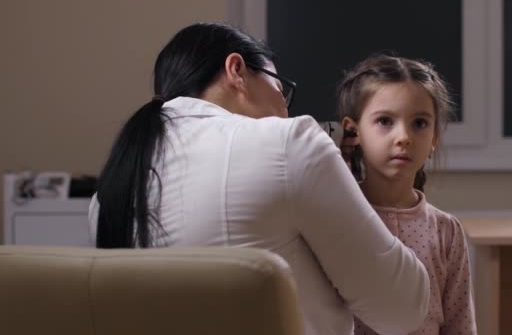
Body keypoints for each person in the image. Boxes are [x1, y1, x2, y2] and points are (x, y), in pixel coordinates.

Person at [88, 22, 429, 335]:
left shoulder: (110, 191)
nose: (285, 108)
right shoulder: (288, 143)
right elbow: (401, 309)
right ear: (236, 70)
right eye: (281, 89)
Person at [337, 54, 476, 335]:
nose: (404, 137)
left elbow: (459, 324)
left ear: (434, 137)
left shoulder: (446, 230)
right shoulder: (336, 220)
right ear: (353, 132)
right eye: (385, 121)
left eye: (420, 123)